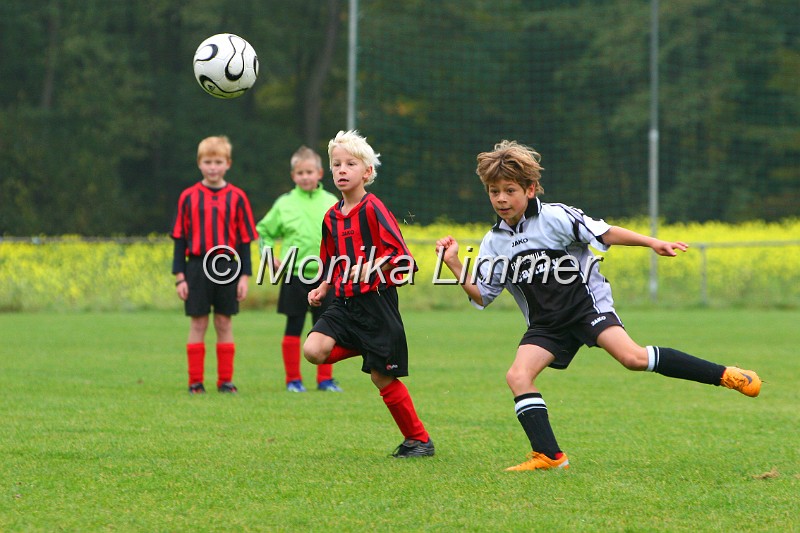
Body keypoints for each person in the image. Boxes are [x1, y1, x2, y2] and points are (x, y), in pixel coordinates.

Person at [434, 140, 762, 471]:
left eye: (510, 190)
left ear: (530, 189)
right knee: (518, 376)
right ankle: (548, 455)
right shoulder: (494, 242)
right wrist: (454, 264)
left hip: (586, 308)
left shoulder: (556, 217)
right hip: (547, 324)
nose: (502, 199)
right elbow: (483, 294)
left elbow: (605, 233)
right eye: (494, 191)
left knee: (633, 358)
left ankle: (727, 375)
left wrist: (653, 243)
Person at [303, 130, 435, 458]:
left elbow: (404, 258)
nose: (342, 170)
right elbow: (331, 260)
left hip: (377, 305)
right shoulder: (331, 217)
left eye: (350, 163)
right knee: (313, 350)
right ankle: (365, 347)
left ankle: (419, 440)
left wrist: (375, 265)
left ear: (367, 172)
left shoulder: (374, 208)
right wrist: (323, 286)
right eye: (336, 164)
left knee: (381, 379)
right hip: (345, 304)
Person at [171, 135, 258, 394]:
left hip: (226, 267)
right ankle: (195, 382)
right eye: (207, 162)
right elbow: (180, 239)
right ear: (199, 163)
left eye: (218, 161)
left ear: (228, 163)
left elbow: (244, 242)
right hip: (196, 267)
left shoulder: (238, 197)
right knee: (198, 323)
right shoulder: (188, 196)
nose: (212, 167)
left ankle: (225, 381)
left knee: (224, 323)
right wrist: (180, 276)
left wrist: (244, 276)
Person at [256, 146, 342, 393]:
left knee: (327, 328)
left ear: (319, 173)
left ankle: (325, 379)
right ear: (293, 175)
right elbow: (264, 232)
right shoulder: (285, 204)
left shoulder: (331, 202)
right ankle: (293, 380)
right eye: (300, 172)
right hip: (295, 275)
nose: (305, 176)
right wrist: (269, 256)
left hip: (326, 277)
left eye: (310, 171)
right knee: (294, 326)